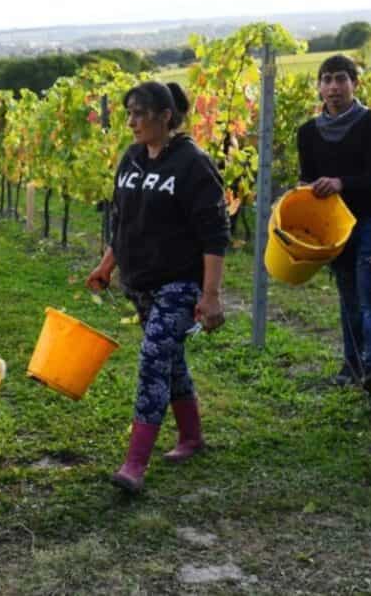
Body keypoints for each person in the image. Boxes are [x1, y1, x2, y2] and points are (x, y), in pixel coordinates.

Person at [87, 82, 229, 494]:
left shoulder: (192, 164)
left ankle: (134, 464)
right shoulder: (131, 159)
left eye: (138, 113)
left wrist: (211, 294)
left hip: (180, 283)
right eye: (128, 113)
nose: (130, 122)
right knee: (171, 359)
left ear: (165, 115)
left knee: (153, 360)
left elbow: (214, 234)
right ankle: (191, 437)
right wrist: (107, 264)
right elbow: (124, 223)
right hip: (141, 283)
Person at [297, 54, 371, 397]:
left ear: (355, 83)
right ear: (319, 86)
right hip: (333, 228)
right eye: (327, 79)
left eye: (341, 79)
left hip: (369, 221)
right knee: (348, 296)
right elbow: (307, 181)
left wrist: (340, 183)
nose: (333, 87)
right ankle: (352, 365)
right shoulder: (307, 133)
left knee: (370, 293)